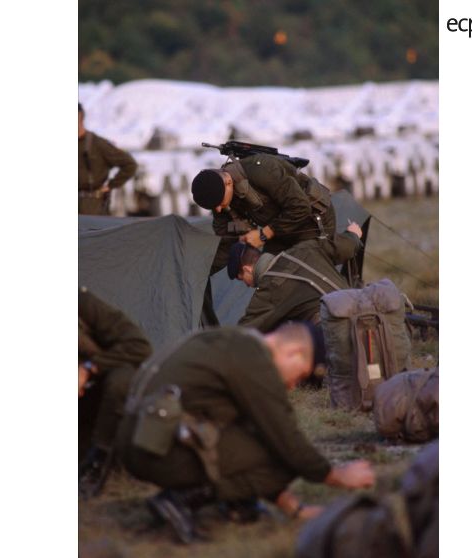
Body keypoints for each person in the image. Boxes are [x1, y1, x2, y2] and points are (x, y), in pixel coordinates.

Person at [116, 323, 375, 544]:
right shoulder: (253, 358)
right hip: (155, 450)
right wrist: (337, 475)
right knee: (279, 456)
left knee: (254, 440)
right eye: (302, 376)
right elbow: (286, 440)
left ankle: (238, 504)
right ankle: (179, 501)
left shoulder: (235, 341)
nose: (293, 386)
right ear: (294, 353)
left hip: (140, 440)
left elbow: (250, 431)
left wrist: (294, 510)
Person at [191, 153, 337, 272]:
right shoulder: (218, 198)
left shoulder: (262, 171)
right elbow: (226, 241)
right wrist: (201, 272)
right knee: (267, 275)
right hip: (280, 230)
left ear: (228, 183)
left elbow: (299, 207)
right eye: (213, 207)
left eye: (218, 204)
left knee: (304, 275)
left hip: (313, 222)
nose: (217, 210)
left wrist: (263, 235)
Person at [79, 287, 152, 499]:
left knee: (122, 379)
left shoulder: (83, 304)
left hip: (100, 390)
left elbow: (139, 347)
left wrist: (88, 368)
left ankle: (98, 461)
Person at [228, 222, 363, 333]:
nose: (246, 285)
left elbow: (244, 332)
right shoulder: (306, 247)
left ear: (247, 269)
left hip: (336, 337)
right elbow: (346, 247)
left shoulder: (268, 290)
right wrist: (353, 234)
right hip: (363, 313)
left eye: (242, 278)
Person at [78, 103, 138, 215]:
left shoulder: (97, 144)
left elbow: (129, 164)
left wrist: (111, 185)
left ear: (80, 117)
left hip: (91, 206)